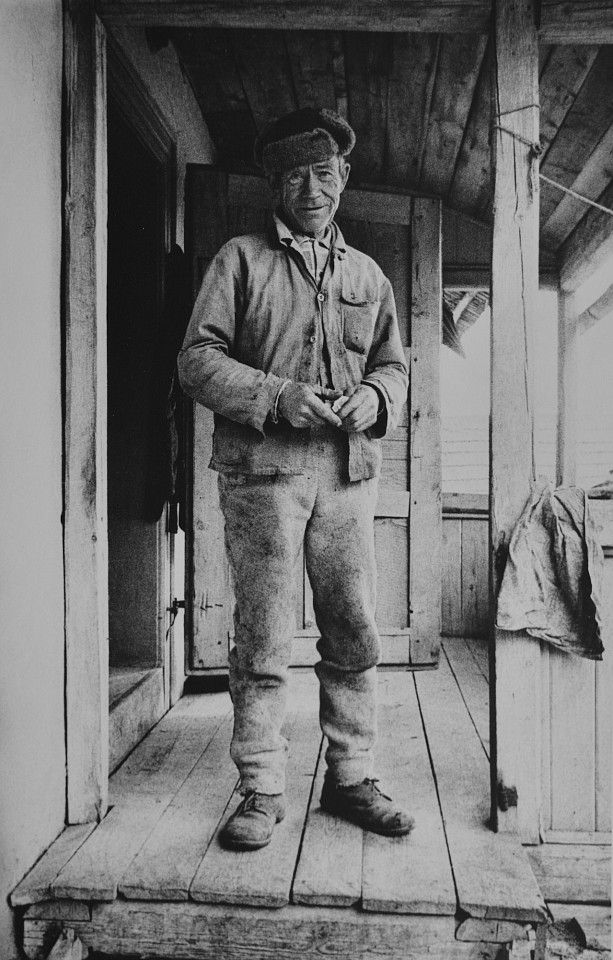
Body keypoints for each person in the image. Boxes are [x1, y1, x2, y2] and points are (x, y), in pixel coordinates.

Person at [178, 107, 413, 851]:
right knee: (264, 635)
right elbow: (196, 360)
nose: (309, 189)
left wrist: (376, 396)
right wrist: (277, 395)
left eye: (321, 173)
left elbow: (394, 365)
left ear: (341, 178)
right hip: (262, 475)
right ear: (275, 185)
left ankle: (351, 777)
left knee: (353, 630)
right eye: (292, 176)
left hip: (348, 477)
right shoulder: (239, 260)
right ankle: (261, 788)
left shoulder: (367, 274)